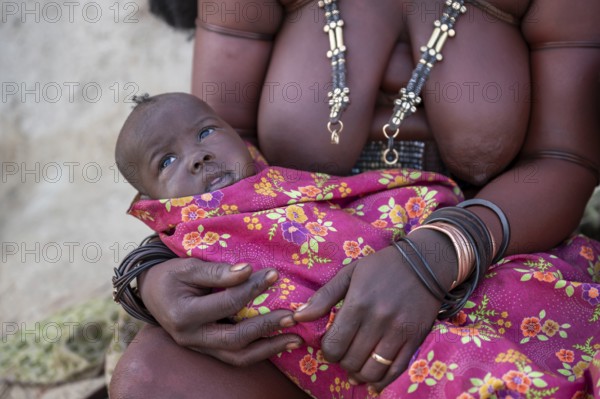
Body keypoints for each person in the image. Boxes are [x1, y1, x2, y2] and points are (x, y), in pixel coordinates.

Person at [110, 0, 600, 397]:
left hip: (496, 253)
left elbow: (562, 161)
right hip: (293, 282)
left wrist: (436, 255)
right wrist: (152, 271)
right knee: (151, 381)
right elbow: (219, 145)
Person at [115, 92, 462, 395]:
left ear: (237, 136)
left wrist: (445, 239)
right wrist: (148, 275)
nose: (198, 156)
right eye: (167, 161)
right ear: (150, 201)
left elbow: (355, 202)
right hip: (344, 350)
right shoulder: (190, 241)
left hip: (442, 255)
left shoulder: (274, 180)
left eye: (206, 132)